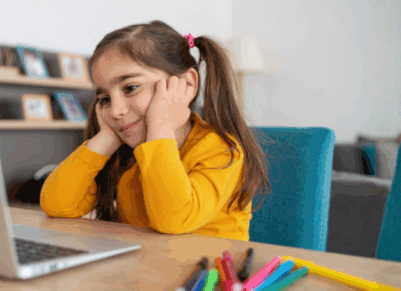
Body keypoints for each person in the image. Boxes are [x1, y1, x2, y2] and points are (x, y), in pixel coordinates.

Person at [40, 20, 270, 241]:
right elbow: (57, 205)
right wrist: (106, 139)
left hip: (210, 274)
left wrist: (161, 128)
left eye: (130, 88)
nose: (116, 110)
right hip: (149, 271)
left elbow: (173, 220)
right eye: (105, 98)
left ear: (186, 84)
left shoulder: (221, 150)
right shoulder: (129, 153)